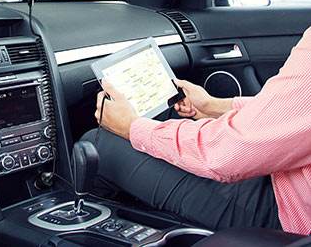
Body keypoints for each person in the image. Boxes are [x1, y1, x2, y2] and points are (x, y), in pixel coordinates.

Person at [82, 26, 311, 235]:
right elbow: (289, 113)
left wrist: (131, 127)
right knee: (172, 119)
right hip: (291, 184)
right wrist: (213, 106)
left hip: (290, 218)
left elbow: (225, 155)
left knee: (97, 144)